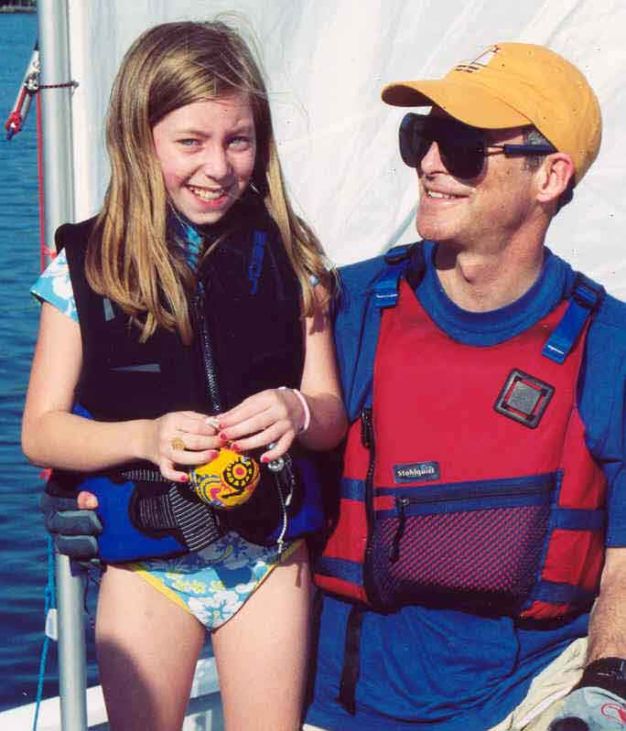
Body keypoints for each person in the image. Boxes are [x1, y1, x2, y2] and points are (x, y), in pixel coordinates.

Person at [22, 20, 346, 731]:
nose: (218, 166)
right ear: (140, 141)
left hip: (268, 561)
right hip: (147, 572)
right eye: (190, 142)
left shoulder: (294, 260)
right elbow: (41, 431)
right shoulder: (83, 270)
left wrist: (296, 409)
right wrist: (145, 436)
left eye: (238, 140)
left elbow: (328, 413)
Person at [305, 43, 626, 730]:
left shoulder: (612, 346)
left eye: (463, 146)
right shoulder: (340, 310)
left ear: (550, 176)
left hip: (530, 696)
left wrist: (605, 686)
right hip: (335, 707)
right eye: (421, 136)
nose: (429, 162)